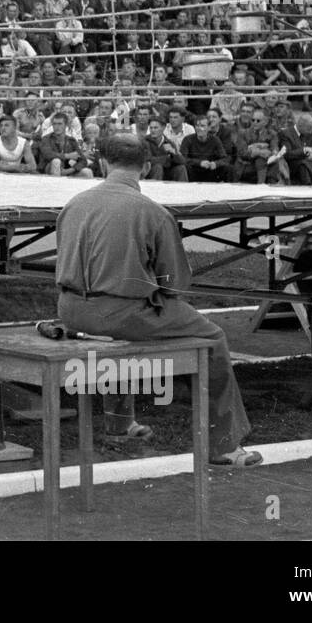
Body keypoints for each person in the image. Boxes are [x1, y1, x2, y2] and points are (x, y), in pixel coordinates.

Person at [55, 133, 262, 466]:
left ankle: (119, 423)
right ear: (147, 168)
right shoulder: (153, 212)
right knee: (213, 338)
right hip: (119, 312)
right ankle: (223, 444)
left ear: (103, 163)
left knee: (121, 331)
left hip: (70, 311)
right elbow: (174, 284)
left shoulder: (73, 204)